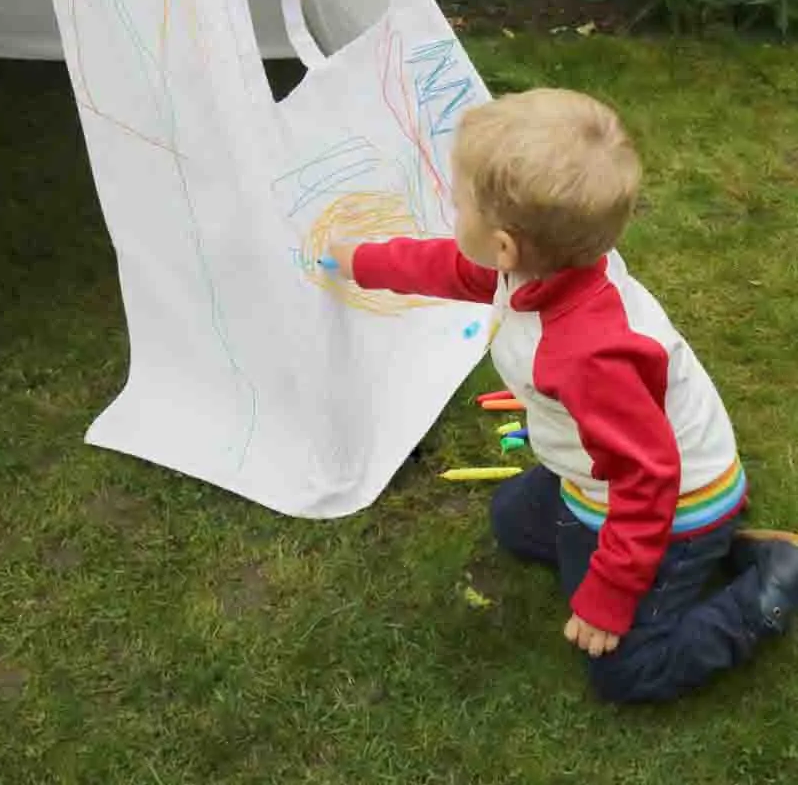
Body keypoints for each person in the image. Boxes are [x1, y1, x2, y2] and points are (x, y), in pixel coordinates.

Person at [328, 87, 798, 704]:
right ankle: (711, 554)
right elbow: (452, 267)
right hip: (597, 479)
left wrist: (608, 598)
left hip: (674, 505)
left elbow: (647, 478)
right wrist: (363, 262)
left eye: (459, 201)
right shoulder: (546, 264)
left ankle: (769, 587)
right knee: (513, 524)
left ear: (504, 245)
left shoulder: (588, 357)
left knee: (626, 672)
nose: (452, 208)